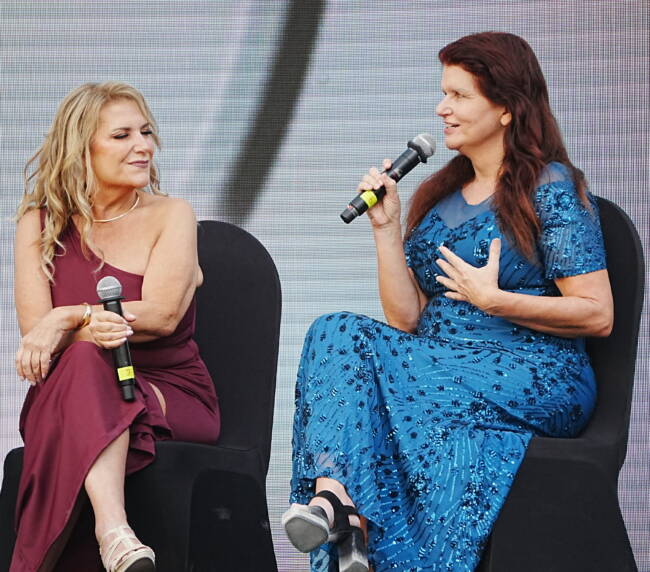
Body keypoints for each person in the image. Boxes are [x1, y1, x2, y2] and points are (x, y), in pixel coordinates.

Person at [282, 32, 613, 572]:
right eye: (443, 94)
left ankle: (352, 522)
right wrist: (386, 230)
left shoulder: (549, 186)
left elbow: (597, 313)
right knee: (333, 329)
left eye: (459, 96)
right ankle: (339, 504)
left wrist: (497, 301)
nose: (442, 109)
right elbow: (406, 319)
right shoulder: (439, 197)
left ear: (506, 108)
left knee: (375, 386)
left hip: (532, 369)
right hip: (441, 360)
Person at [11, 82, 220, 572]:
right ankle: (116, 537)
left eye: (145, 132)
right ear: (80, 149)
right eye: (122, 135)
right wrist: (76, 330)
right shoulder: (37, 224)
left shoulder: (172, 214)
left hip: (165, 388)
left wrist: (71, 316)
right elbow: (38, 341)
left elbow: (162, 315)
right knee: (84, 361)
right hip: (70, 391)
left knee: (83, 356)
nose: (143, 146)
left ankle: (111, 533)